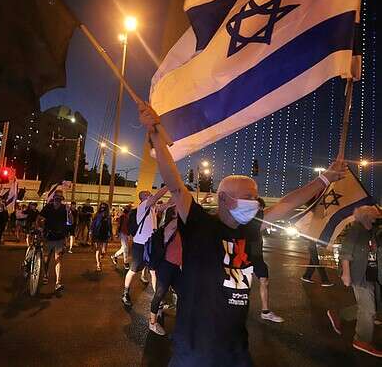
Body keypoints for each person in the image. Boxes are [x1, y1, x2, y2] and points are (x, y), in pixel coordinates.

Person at [138, 102, 345, 366]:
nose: (255, 202)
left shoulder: (250, 227)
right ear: (224, 199)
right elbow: (176, 185)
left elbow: (286, 204)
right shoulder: (200, 223)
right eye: (248, 197)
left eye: (256, 197)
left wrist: (325, 179)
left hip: (236, 350)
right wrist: (155, 132)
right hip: (195, 350)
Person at [326, 205, 382, 357]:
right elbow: (346, 252)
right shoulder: (356, 229)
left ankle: (338, 314)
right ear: (366, 217)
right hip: (359, 274)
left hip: (371, 273)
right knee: (368, 310)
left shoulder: (371, 232)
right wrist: (346, 273)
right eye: (375, 216)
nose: (377, 218)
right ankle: (361, 340)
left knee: (370, 305)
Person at [121, 185, 169, 307]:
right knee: (133, 270)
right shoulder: (143, 205)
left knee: (153, 271)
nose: (151, 194)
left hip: (151, 243)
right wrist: (170, 183)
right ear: (142, 198)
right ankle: (125, 293)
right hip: (140, 244)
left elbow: (168, 205)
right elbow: (158, 196)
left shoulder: (153, 208)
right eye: (148, 194)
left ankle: (157, 298)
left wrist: (178, 190)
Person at [250, 198, 285, 323]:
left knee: (264, 281)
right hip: (243, 256)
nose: (259, 210)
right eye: (258, 207)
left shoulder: (260, 219)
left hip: (257, 257)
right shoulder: (246, 220)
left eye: (260, 208)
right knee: (241, 285)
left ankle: (265, 311)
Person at [149, 204, 182, 336]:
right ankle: (152, 323)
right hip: (166, 266)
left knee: (183, 293)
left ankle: (183, 321)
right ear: (173, 214)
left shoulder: (180, 226)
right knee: (159, 294)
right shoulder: (172, 225)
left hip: (176, 267)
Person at [39, 190, 69, 292]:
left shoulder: (65, 208)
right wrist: (40, 227)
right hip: (48, 236)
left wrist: (69, 212)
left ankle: (58, 282)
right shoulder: (48, 207)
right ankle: (46, 274)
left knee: (58, 259)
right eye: (57, 197)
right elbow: (40, 217)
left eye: (60, 198)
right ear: (54, 198)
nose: (58, 199)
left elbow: (70, 222)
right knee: (46, 259)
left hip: (60, 237)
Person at [91, 202, 112, 271]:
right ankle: (98, 264)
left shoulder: (108, 216)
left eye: (104, 207)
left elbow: (110, 226)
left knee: (104, 251)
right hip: (97, 234)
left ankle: (101, 256)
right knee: (98, 249)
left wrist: (111, 234)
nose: (102, 208)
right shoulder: (97, 215)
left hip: (105, 234)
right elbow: (93, 224)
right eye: (101, 207)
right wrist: (91, 232)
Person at [111, 204, 131, 270]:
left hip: (126, 234)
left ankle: (114, 256)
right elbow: (119, 225)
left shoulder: (128, 216)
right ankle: (126, 263)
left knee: (124, 248)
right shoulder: (122, 217)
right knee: (125, 248)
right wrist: (116, 233)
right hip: (122, 233)